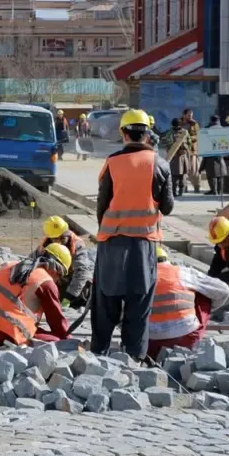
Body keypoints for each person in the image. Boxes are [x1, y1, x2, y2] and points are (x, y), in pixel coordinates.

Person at [92, 109, 175, 360]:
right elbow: (168, 207)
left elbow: (101, 206)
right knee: (139, 306)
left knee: (105, 304)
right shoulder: (160, 164)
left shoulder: (112, 162)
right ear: (148, 133)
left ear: (123, 133)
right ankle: (134, 357)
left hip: (112, 244)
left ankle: (99, 355)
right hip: (143, 245)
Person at [0, 244, 73, 348]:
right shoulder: (45, 282)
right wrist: (70, 341)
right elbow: (58, 323)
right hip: (5, 334)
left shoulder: (10, 265)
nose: (58, 279)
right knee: (58, 341)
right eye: (60, 275)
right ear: (56, 269)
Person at [145, 246, 229, 359]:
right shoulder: (183, 272)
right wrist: (209, 310)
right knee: (203, 294)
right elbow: (223, 290)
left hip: (150, 342)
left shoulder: (139, 277)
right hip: (186, 338)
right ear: (167, 259)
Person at [36, 216, 94, 309]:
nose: (58, 241)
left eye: (61, 238)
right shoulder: (45, 244)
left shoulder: (77, 244)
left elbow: (82, 272)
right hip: (56, 278)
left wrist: (69, 296)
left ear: (66, 233)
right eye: (54, 238)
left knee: (83, 291)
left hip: (72, 278)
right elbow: (34, 262)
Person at [164, 119, 190, 198]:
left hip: (178, 156)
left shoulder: (182, 133)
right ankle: (177, 192)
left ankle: (178, 192)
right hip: (176, 156)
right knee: (178, 176)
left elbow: (189, 143)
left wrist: (184, 148)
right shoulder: (182, 132)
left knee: (178, 176)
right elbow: (167, 144)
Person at [180, 108, 202, 193]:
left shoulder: (195, 124)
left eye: (191, 115)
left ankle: (197, 187)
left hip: (192, 151)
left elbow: (198, 136)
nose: (190, 117)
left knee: (194, 170)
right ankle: (183, 187)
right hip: (181, 151)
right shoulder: (179, 123)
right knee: (182, 170)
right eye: (189, 115)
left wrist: (188, 138)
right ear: (184, 115)